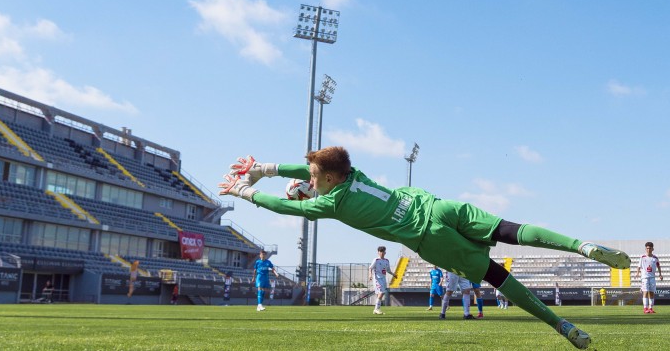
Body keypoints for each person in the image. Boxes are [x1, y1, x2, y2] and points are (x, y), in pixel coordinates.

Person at [218, 147, 631, 349]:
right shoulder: (350, 173)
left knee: (496, 276)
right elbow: (299, 169)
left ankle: (563, 327)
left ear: (324, 180)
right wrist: (264, 170)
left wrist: (245, 191)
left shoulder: (331, 202)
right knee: (510, 229)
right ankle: (582, 244)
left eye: (312, 173)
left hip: (427, 236)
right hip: (437, 204)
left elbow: (286, 208)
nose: (307, 174)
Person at [634, 241, 661, 314]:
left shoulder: (655, 258)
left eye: (650, 248)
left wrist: (660, 274)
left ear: (653, 249)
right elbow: (639, 266)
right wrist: (637, 273)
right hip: (644, 277)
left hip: (652, 277)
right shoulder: (642, 257)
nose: (648, 249)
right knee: (645, 292)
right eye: (647, 248)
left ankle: (651, 308)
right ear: (645, 249)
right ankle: (645, 308)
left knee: (651, 293)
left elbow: (658, 266)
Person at [369, 245, 396, 315]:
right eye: (380, 251)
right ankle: (377, 309)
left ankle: (376, 309)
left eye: (383, 251)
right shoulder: (376, 260)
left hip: (383, 278)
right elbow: (370, 268)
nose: (382, 253)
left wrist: (393, 274)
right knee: (381, 293)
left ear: (385, 252)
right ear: (378, 252)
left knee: (382, 293)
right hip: (377, 278)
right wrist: (370, 275)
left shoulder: (386, 261)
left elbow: (388, 270)